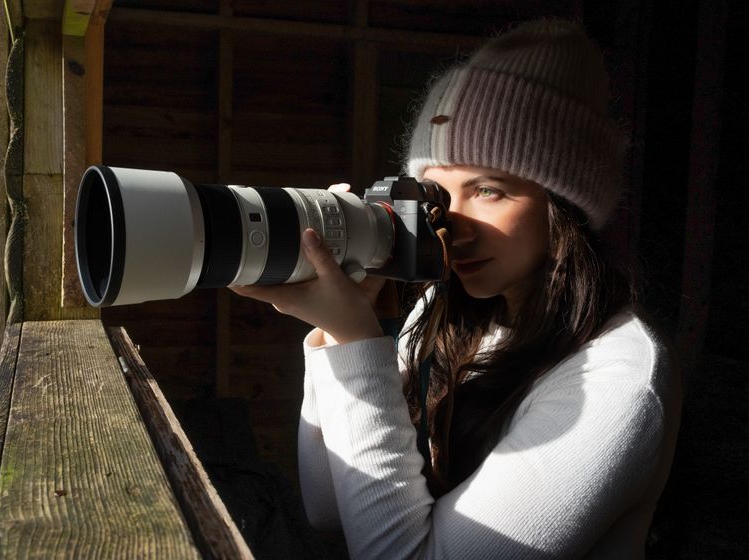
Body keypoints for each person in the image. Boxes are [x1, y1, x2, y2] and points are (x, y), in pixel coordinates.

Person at [231, 18, 682, 559]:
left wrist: (358, 342)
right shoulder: (449, 313)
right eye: (436, 194)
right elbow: (331, 508)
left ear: (566, 208)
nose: (451, 225)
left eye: (488, 190)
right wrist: (336, 333)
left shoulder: (617, 382)